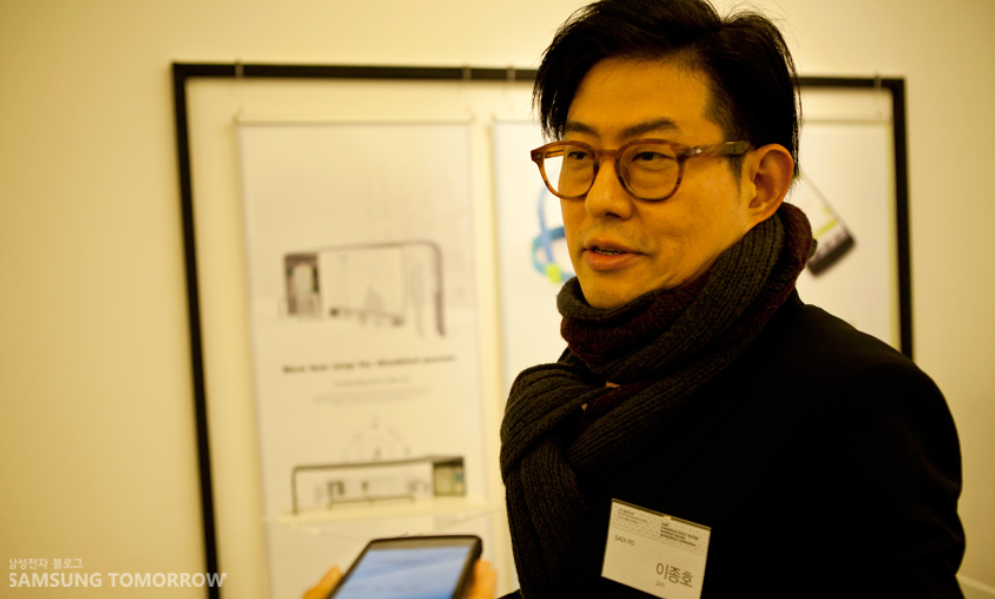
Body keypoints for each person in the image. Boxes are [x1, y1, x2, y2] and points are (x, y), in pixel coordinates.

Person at [498, 0, 964, 597]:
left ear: (761, 184)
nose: (600, 200)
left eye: (649, 158)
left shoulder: (858, 400)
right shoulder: (582, 382)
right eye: (581, 157)